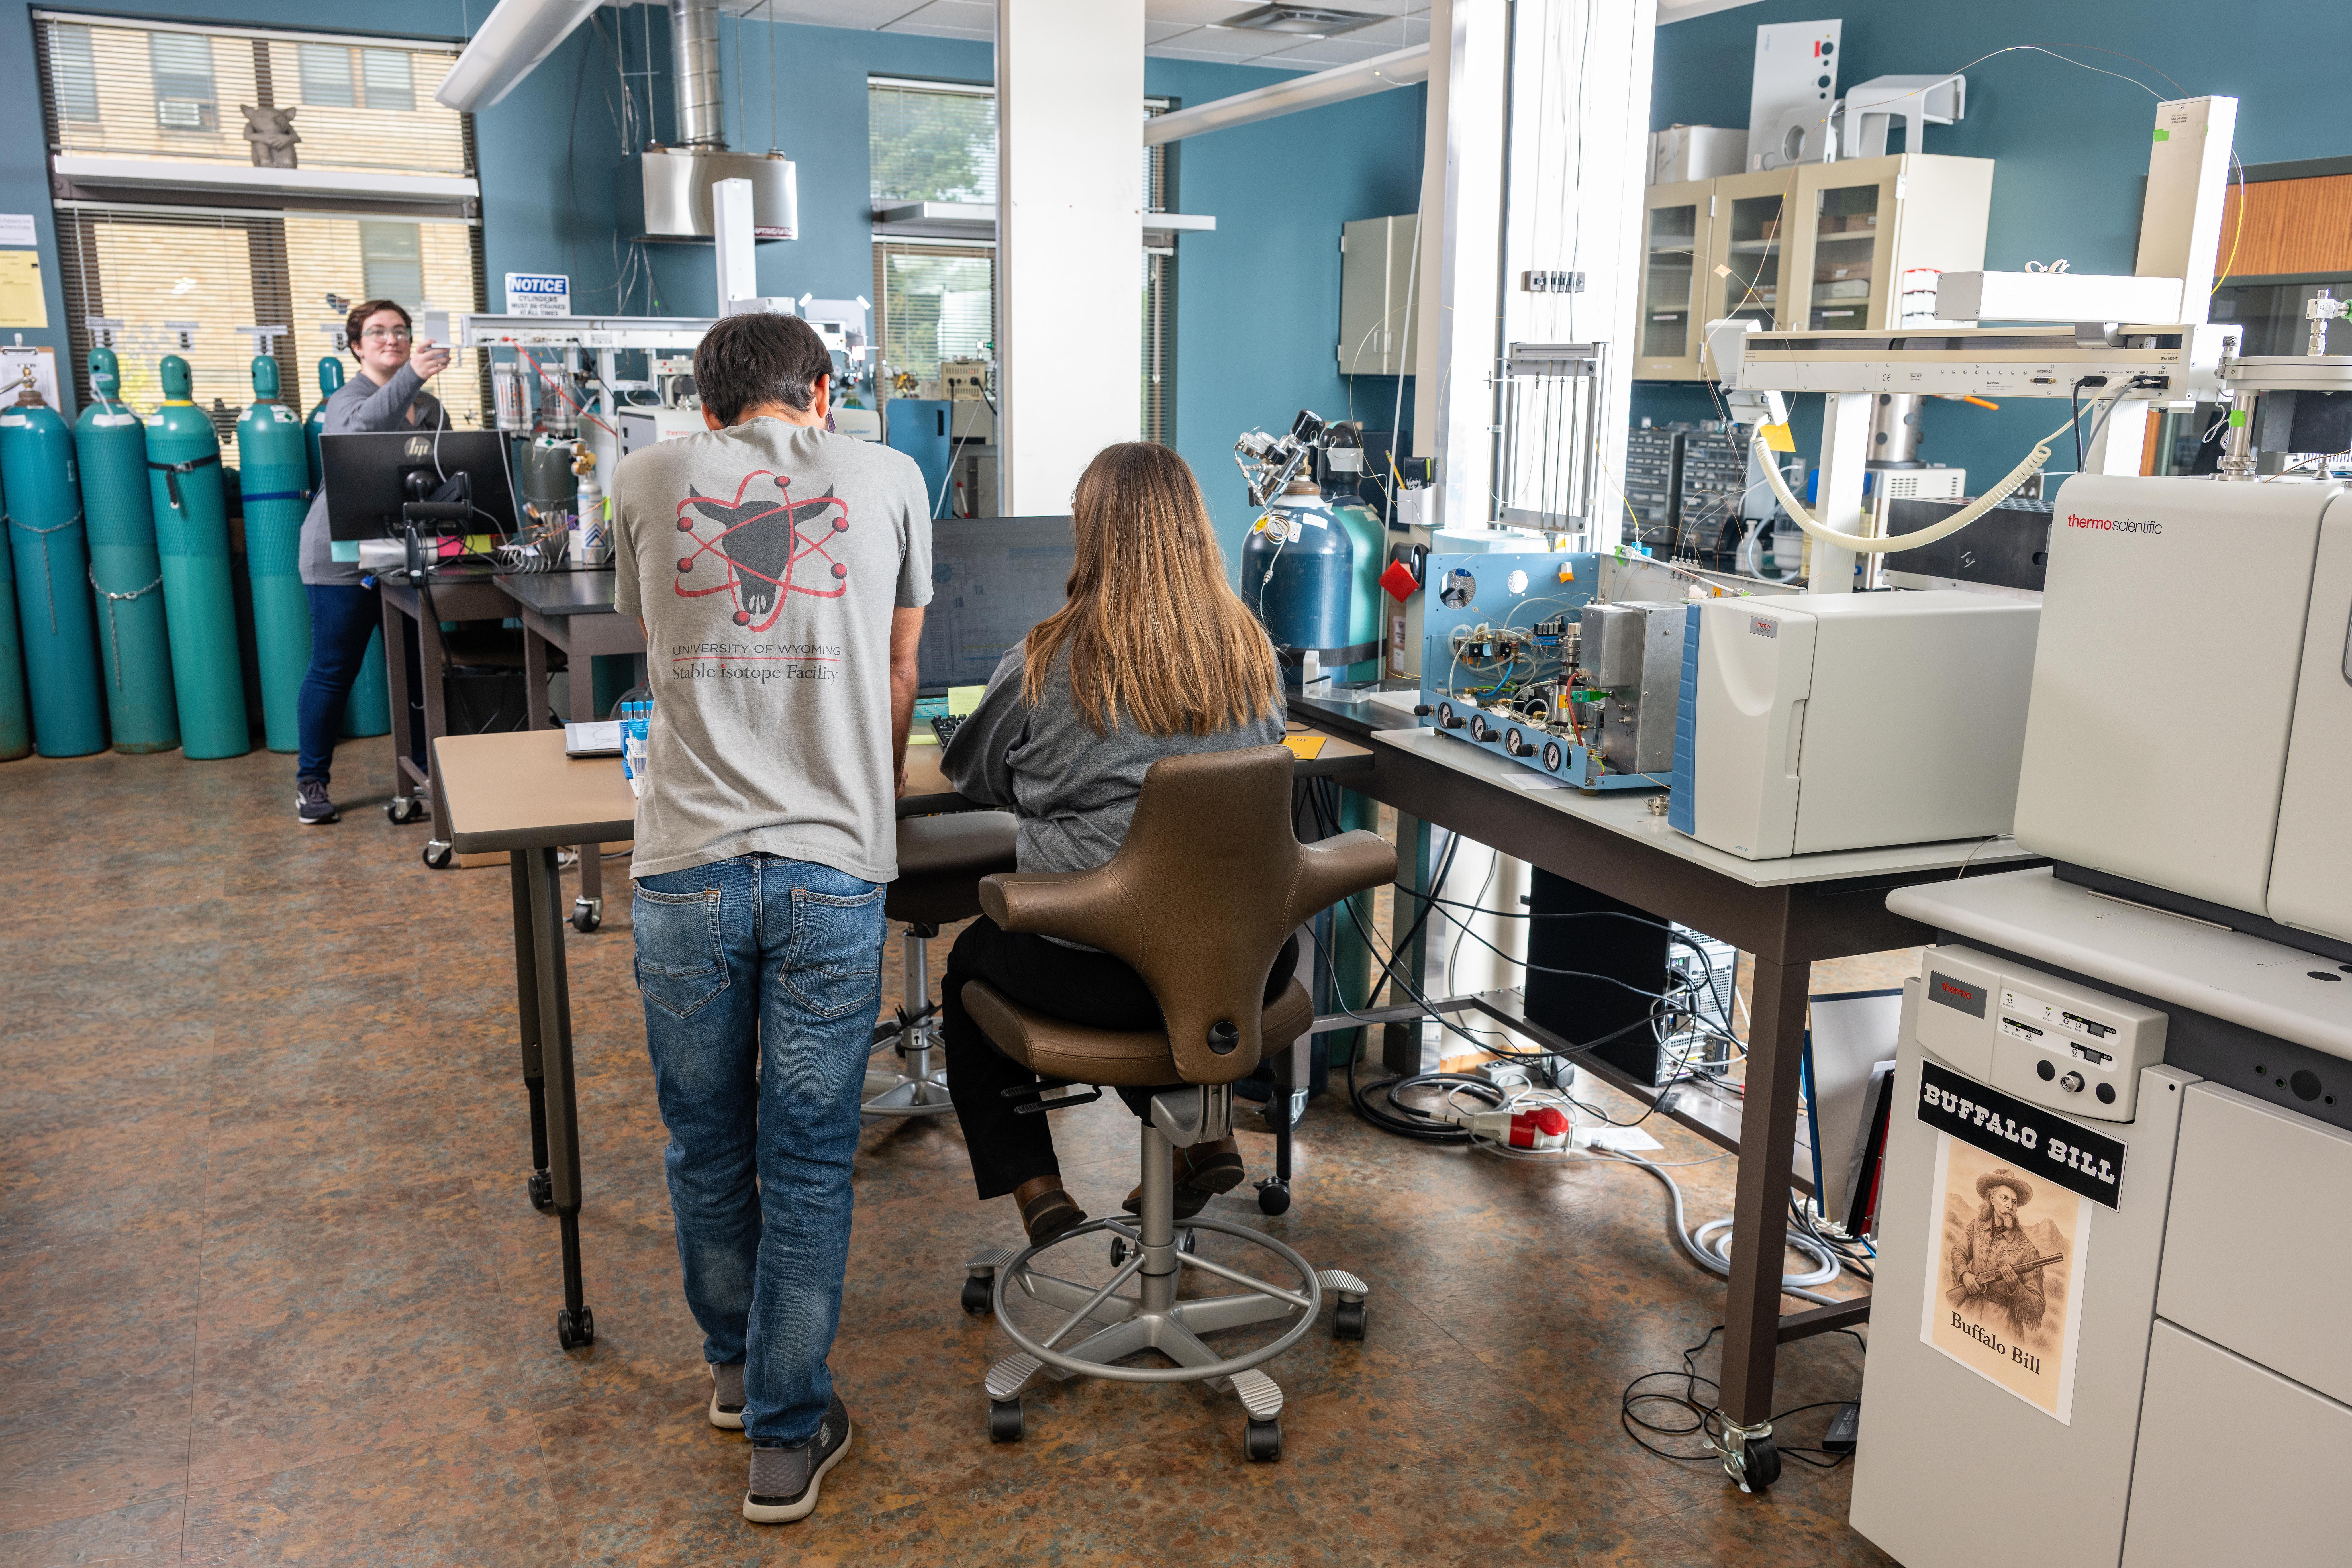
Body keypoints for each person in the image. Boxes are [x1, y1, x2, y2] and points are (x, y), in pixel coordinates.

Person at [610, 311, 930, 1526]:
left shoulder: (643, 474)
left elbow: (665, 646)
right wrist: (865, 783)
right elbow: (898, 669)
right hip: (833, 867)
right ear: (825, 390)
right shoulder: (892, 474)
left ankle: (740, 1377)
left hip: (684, 868)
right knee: (807, 1154)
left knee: (705, 1139)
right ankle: (788, 1442)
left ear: (706, 407)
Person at [938, 441, 1294, 1249]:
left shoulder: (1047, 660)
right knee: (1167, 952)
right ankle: (1206, 1138)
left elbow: (974, 776)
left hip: (1100, 978)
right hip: (1247, 968)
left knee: (973, 966)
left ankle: (1039, 1188)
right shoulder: (1252, 652)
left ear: (1092, 533)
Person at [292, 298, 450, 825]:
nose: (393, 339)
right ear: (356, 345)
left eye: (401, 331)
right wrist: (409, 376)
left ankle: (429, 771)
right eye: (378, 332)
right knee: (334, 668)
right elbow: (358, 434)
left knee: (416, 665)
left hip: (401, 551)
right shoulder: (346, 399)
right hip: (339, 556)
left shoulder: (426, 407)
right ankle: (310, 781)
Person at [1951, 1168, 2047, 1338]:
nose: (2010, 1206)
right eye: (2005, 1199)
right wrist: (1965, 1274)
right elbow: (1959, 1251)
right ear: (1992, 1199)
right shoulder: (1975, 1227)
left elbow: (2038, 1307)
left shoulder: (2028, 1250)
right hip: (1968, 1314)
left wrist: (2016, 1287)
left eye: (2015, 1202)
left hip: (2003, 1328)